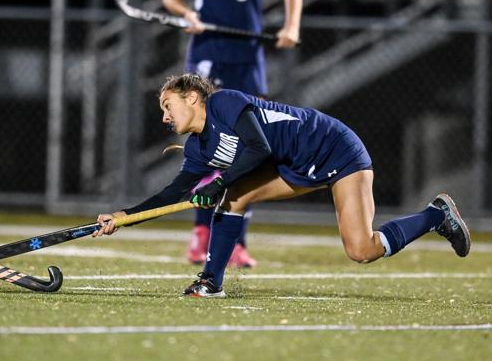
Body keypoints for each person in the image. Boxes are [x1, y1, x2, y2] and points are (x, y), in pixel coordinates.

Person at [93, 74, 471, 298]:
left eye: (167, 104)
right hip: (295, 166)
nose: (164, 115)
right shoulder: (197, 148)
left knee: (362, 249)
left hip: (333, 148)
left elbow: (259, 146)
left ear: (192, 98)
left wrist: (219, 182)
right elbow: (172, 193)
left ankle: (436, 215)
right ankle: (211, 282)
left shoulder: (224, 103)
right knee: (233, 197)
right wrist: (123, 217)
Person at [162, 0, 303, 268]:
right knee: (209, 148)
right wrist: (188, 14)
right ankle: (200, 235)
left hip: (248, 61)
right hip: (209, 58)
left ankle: (235, 238)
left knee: (249, 149)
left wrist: (291, 26)